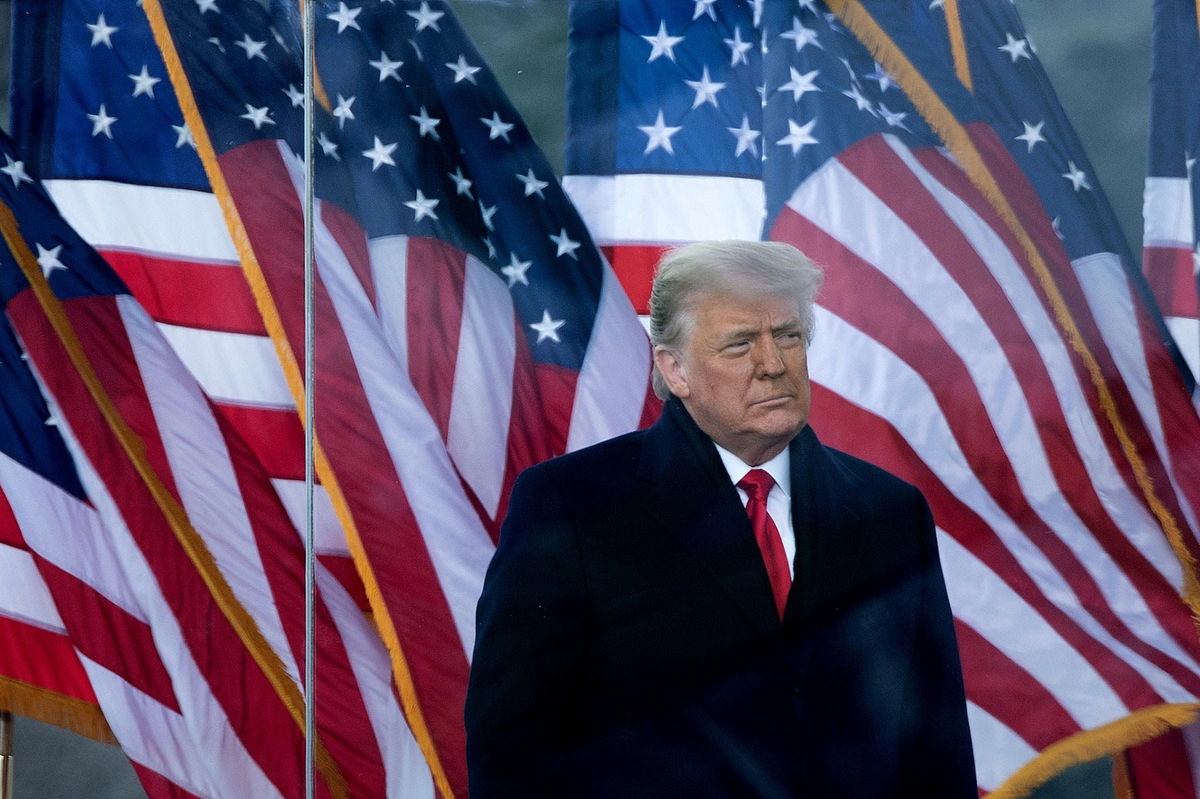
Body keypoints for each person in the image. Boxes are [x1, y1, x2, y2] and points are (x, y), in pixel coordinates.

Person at [465, 240, 976, 797]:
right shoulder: (570, 504)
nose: (773, 364)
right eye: (739, 345)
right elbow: (512, 751)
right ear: (674, 368)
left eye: (788, 335)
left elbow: (936, 745)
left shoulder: (890, 511)